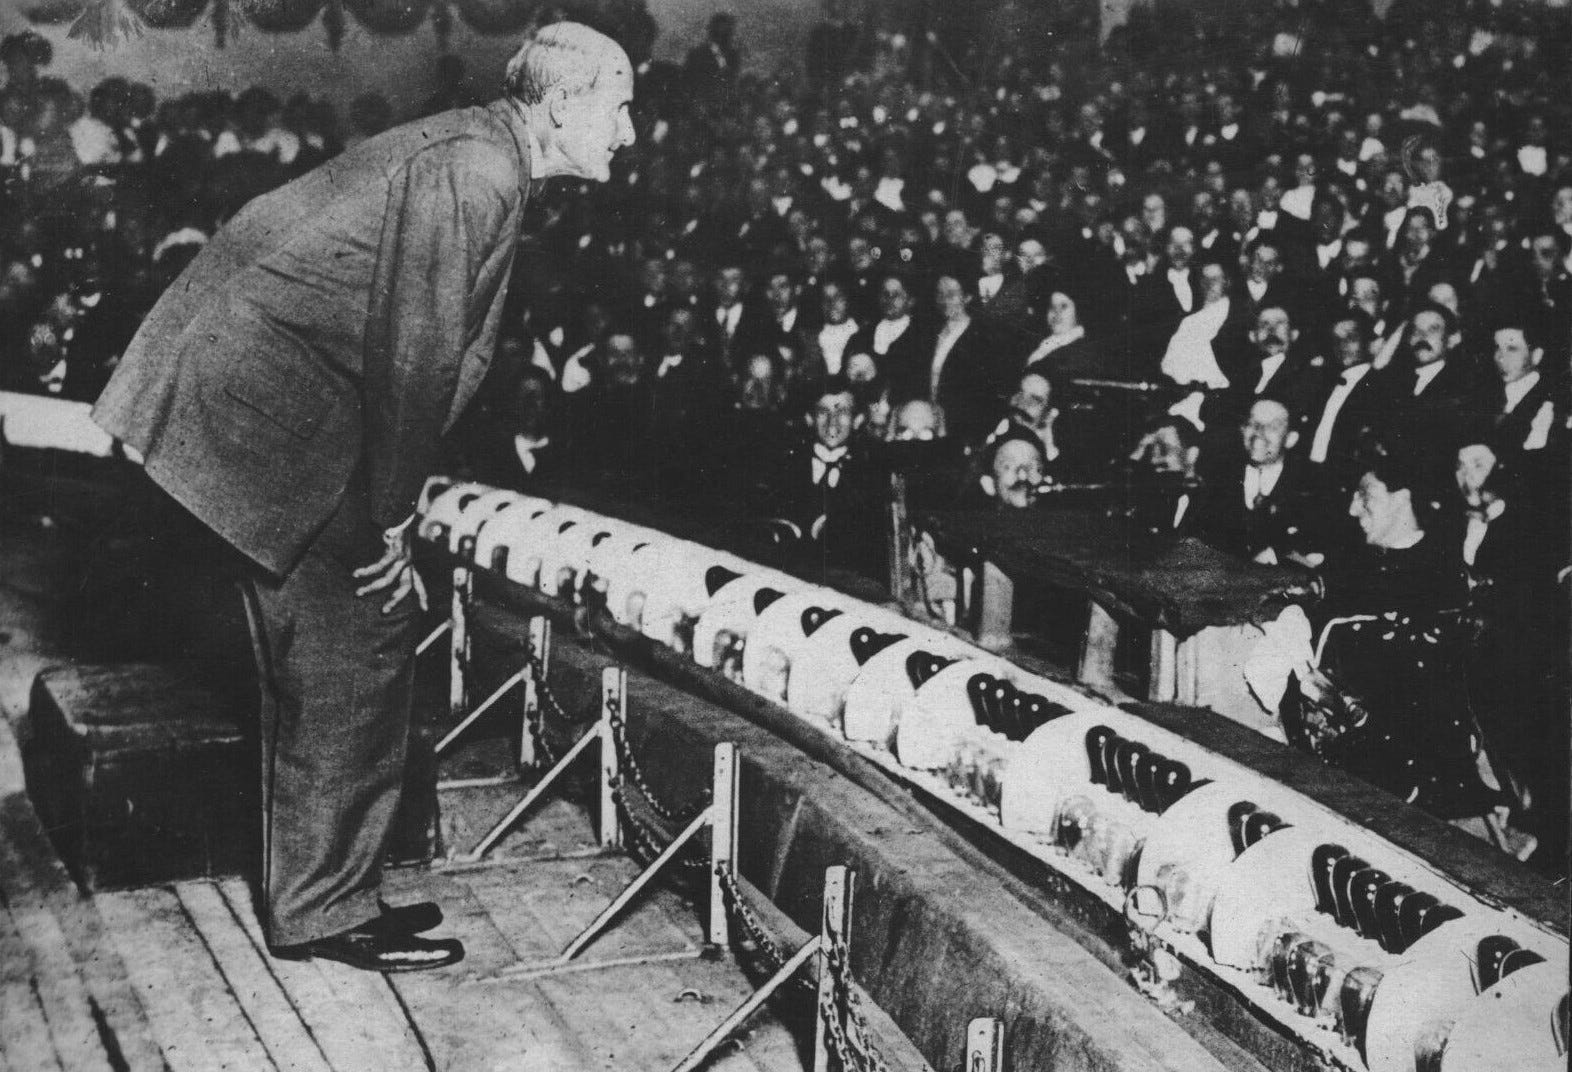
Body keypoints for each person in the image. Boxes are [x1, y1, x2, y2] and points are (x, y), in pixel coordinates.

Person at [89, 23, 637, 973]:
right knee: (360, 630)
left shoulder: (480, 148)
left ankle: (327, 894)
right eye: (621, 107)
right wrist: (391, 516)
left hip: (263, 395)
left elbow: (433, 349)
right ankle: (318, 912)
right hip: (252, 407)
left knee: (356, 639)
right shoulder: (478, 170)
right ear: (561, 105)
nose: (630, 133)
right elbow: (415, 354)